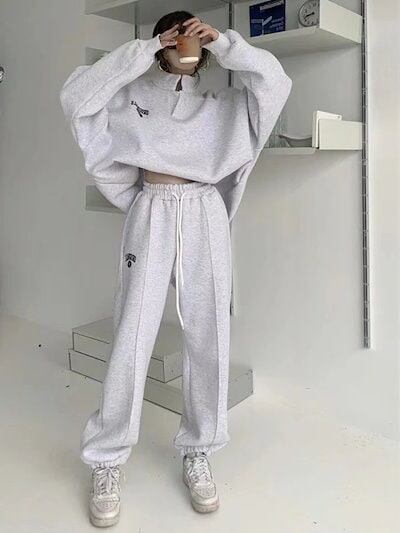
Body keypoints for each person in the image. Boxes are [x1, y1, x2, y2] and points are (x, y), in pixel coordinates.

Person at [59, 10, 292, 527]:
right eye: (175, 35)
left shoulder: (222, 104)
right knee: (132, 331)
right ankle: (107, 457)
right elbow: (76, 97)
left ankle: (199, 449)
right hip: (152, 208)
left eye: (193, 36)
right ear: (161, 41)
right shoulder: (131, 95)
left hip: (204, 209)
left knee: (208, 333)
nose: (184, 42)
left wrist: (226, 44)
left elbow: (276, 83)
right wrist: (144, 49)